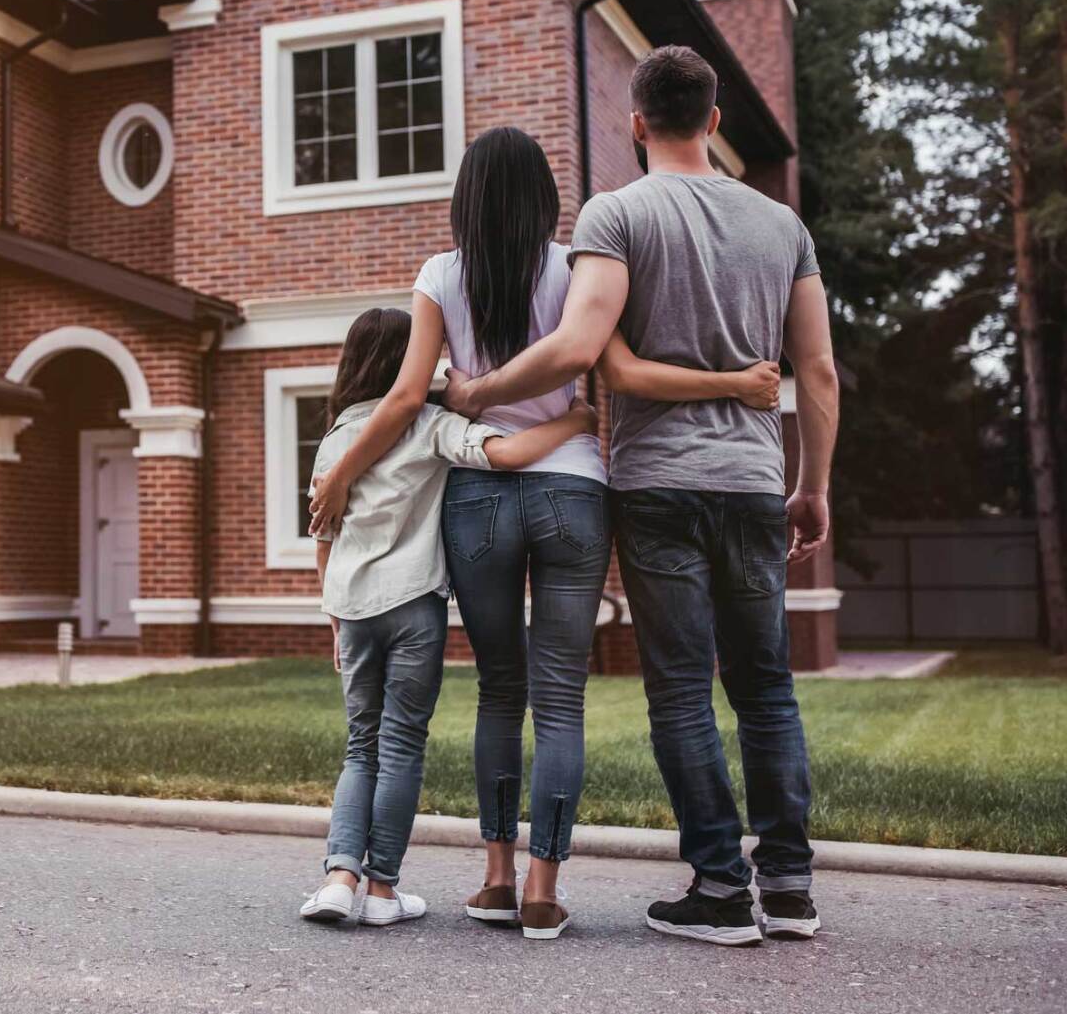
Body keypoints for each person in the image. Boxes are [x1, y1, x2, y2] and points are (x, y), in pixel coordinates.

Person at [306, 126, 781, 942]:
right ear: (546, 200)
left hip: (480, 499)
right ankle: (541, 889)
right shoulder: (578, 267)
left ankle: (492, 877)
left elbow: (405, 397)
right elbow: (612, 363)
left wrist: (344, 470)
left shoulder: (440, 274)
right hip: (572, 489)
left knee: (500, 687)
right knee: (560, 698)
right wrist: (583, 415)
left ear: (465, 198)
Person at [435, 47, 840, 947]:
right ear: (717, 118)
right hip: (750, 484)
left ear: (636, 123)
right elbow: (815, 366)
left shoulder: (616, 214)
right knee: (768, 688)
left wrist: (476, 393)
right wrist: (811, 484)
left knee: (684, 693)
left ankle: (721, 889)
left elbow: (582, 349)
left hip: (657, 485)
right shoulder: (782, 225)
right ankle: (790, 885)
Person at [297, 305, 598, 929]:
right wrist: (574, 420)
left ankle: (337, 878)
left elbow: (322, 538)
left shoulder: (334, 440)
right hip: (413, 609)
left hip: (351, 611)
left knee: (362, 746)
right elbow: (509, 454)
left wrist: (333, 621)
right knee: (402, 746)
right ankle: (381, 891)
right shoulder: (432, 425)